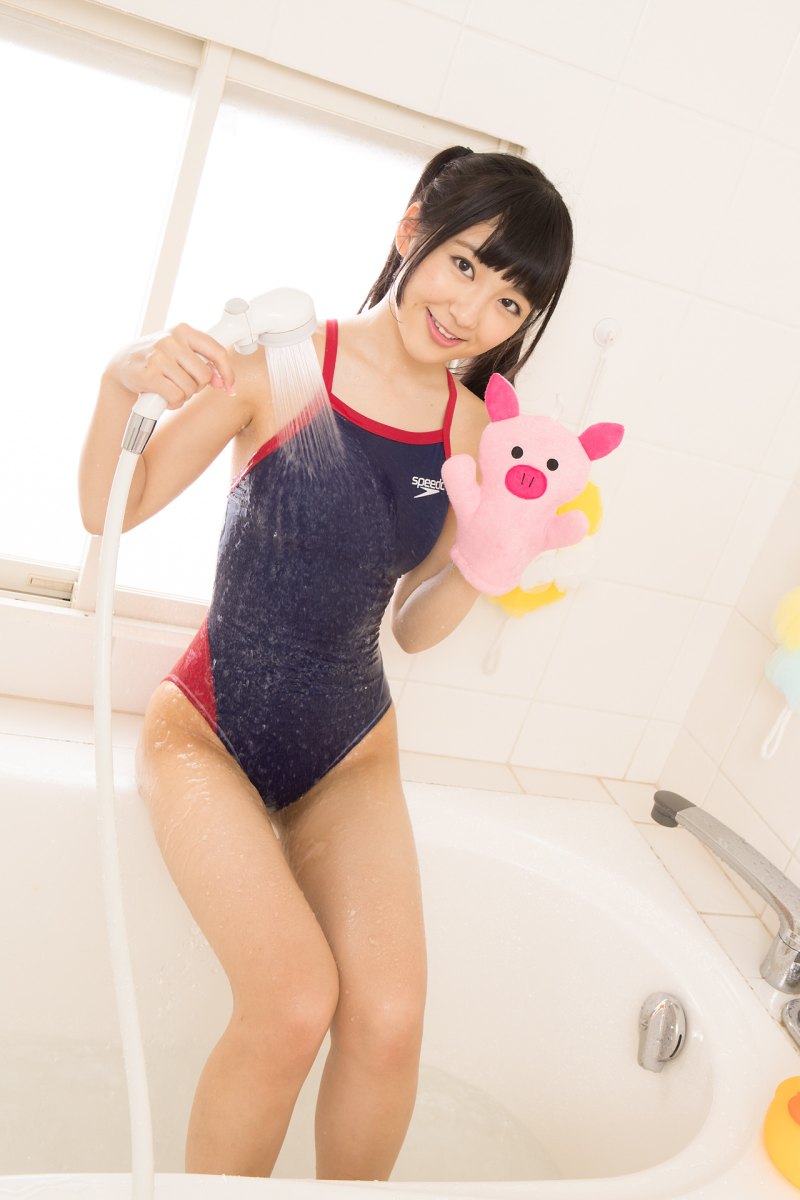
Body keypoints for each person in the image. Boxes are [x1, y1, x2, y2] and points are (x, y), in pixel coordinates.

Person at [78, 145, 573, 1181]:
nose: (471, 311)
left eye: (508, 302)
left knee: (388, 1019)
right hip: (208, 730)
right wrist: (120, 378)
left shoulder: (471, 430)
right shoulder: (284, 366)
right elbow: (109, 510)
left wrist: (487, 563)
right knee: (294, 1000)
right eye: (464, 265)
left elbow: (413, 628)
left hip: (349, 749)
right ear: (411, 230)